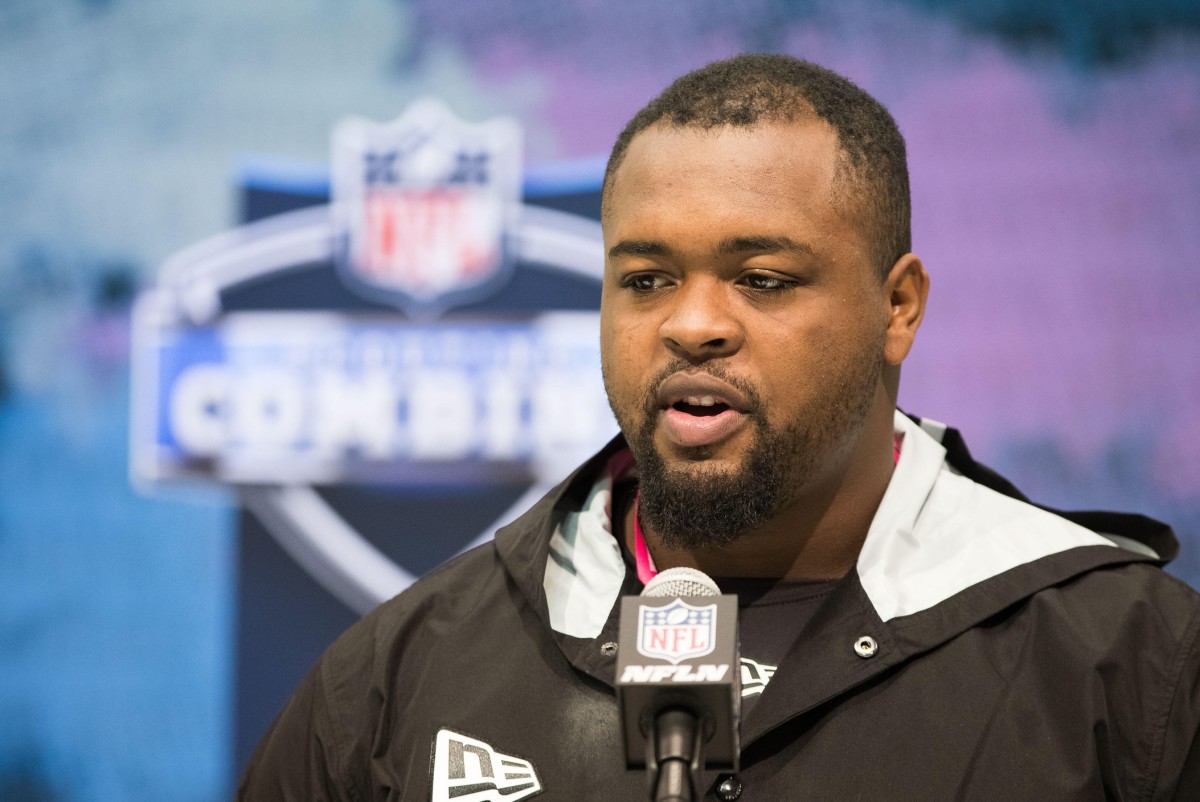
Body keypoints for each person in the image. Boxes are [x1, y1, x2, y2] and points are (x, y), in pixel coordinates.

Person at [238, 54, 1200, 801]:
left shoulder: (1134, 664)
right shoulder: (399, 676)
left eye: (763, 279)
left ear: (898, 306)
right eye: (646, 280)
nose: (692, 324)